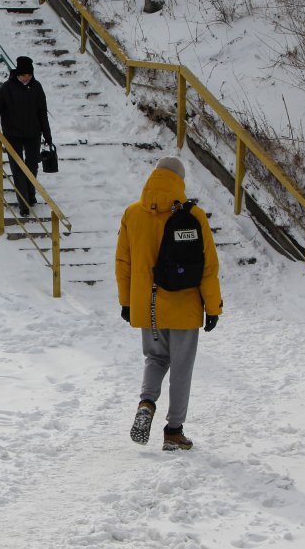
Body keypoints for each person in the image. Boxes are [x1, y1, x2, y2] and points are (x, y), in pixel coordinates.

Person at [116, 156, 222, 451]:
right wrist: (213, 307)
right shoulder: (194, 215)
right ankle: (174, 431)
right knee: (181, 368)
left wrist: (127, 302)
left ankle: (146, 403)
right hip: (184, 306)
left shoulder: (132, 214)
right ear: (179, 181)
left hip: (147, 305)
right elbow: (209, 267)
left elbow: (122, 263)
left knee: (155, 359)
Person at [0, 55, 52, 217]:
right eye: (24, 75)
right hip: (12, 134)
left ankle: (30, 195)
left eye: (29, 75)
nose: (27, 78)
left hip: (33, 134)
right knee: (17, 168)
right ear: (17, 73)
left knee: (32, 166)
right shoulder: (8, 87)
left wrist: (47, 134)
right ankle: (23, 203)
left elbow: (42, 112)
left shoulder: (37, 87)